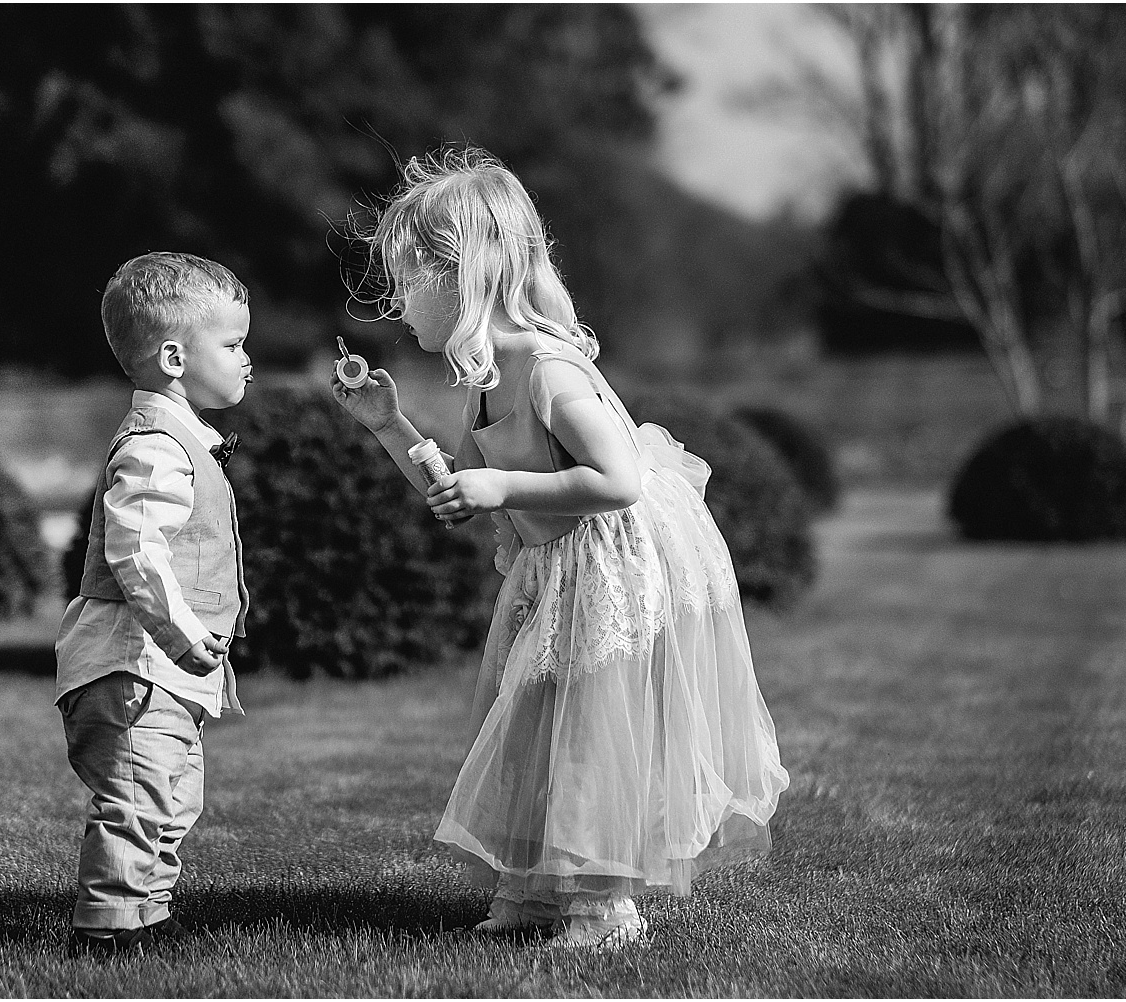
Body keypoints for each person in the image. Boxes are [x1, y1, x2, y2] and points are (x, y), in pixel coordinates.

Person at [332, 149, 789, 950]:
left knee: (589, 728)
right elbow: (456, 494)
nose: (398, 304)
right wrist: (389, 426)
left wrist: (505, 491)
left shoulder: (548, 371)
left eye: (408, 282)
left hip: (610, 564)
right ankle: (536, 891)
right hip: (551, 565)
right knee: (532, 721)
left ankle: (602, 905)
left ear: (462, 274)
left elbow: (616, 478)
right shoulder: (480, 380)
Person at [56, 251, 253, 956]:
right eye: (231, 346)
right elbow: (137, 550)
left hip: (162, 670)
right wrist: (178, 633)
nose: (246, 360)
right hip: (133, 664)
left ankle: (150, 915)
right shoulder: (155, 448)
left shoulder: (185, 441)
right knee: (137, 799)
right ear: (174, 356)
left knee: (173, 798)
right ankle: (107, 931)